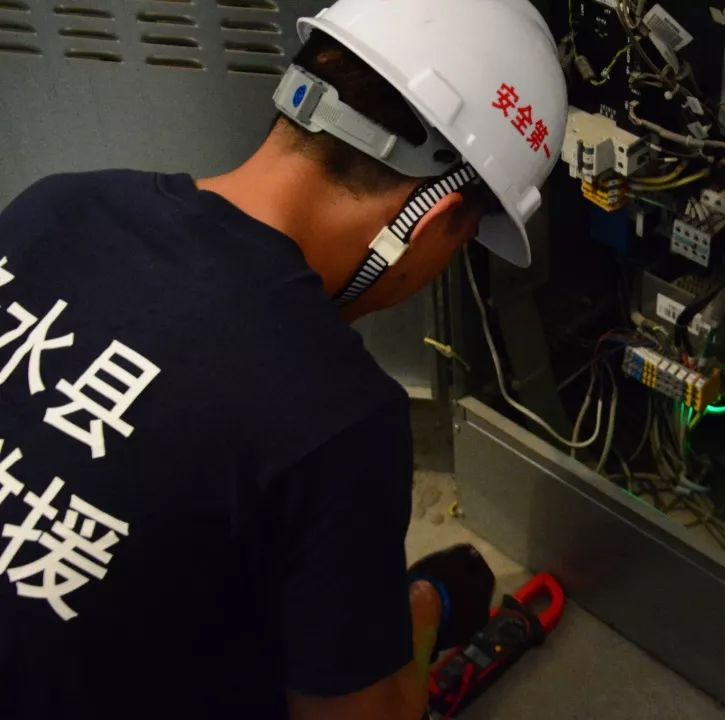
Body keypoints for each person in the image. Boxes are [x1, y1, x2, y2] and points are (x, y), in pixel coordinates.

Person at [0, 0, 567, 718]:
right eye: (461, 243)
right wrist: (421, 612)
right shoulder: (338, 416)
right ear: (435, 218)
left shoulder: (55, 206)